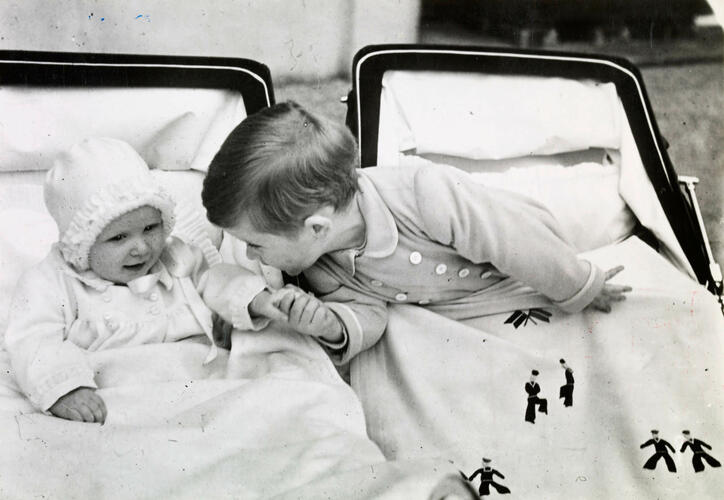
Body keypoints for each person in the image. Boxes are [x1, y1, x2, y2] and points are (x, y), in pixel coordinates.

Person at [202, 101, 631, 364]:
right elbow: (369, 313)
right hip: (474, 299)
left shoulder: (425, 194)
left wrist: (577, 284)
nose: (254, 258)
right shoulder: (324, 267)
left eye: (256, 245)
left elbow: (516, 239)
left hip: (534, 250)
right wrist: (331, 325)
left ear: (316, 227)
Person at [4, 138, 290, 424]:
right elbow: (34, 339)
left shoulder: (176, 256)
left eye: (151, 228)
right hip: (115, 395)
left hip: (200, 381)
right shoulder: (54, 281)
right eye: (119, 238)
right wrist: (64, 388)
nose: (141, 247)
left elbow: (214, 281)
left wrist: (254, 299)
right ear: (82, 242)